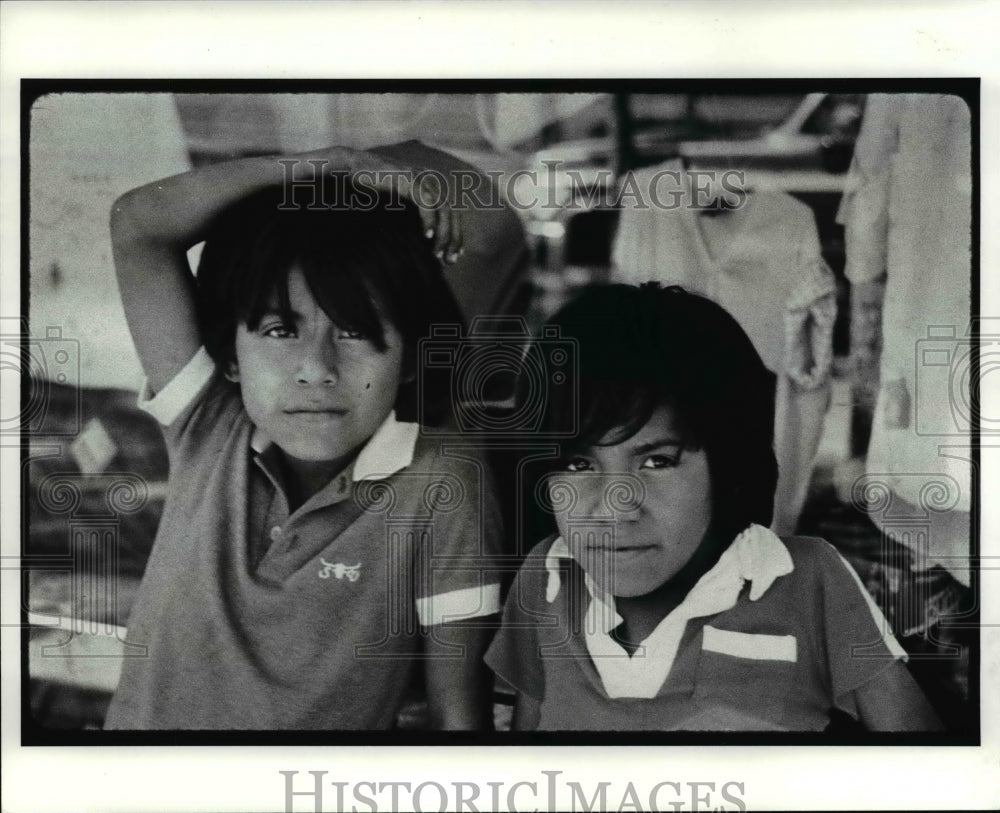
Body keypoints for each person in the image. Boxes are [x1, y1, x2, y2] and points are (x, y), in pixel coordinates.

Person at [104, 144, 504, 730]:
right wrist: (331, 164)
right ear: (230, 354)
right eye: (278, 329)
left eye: (355, 329)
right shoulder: (210, 425)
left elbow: (457, 716)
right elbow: (137, 226)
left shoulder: (442, 481)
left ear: (414, 357)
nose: (316, 368)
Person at [485, 282, 941, 732]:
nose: (615, 508)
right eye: (579, 464)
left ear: (727, 464)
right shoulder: (546, 579)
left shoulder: (808, 582)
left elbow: (930, 776)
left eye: (657, 461)